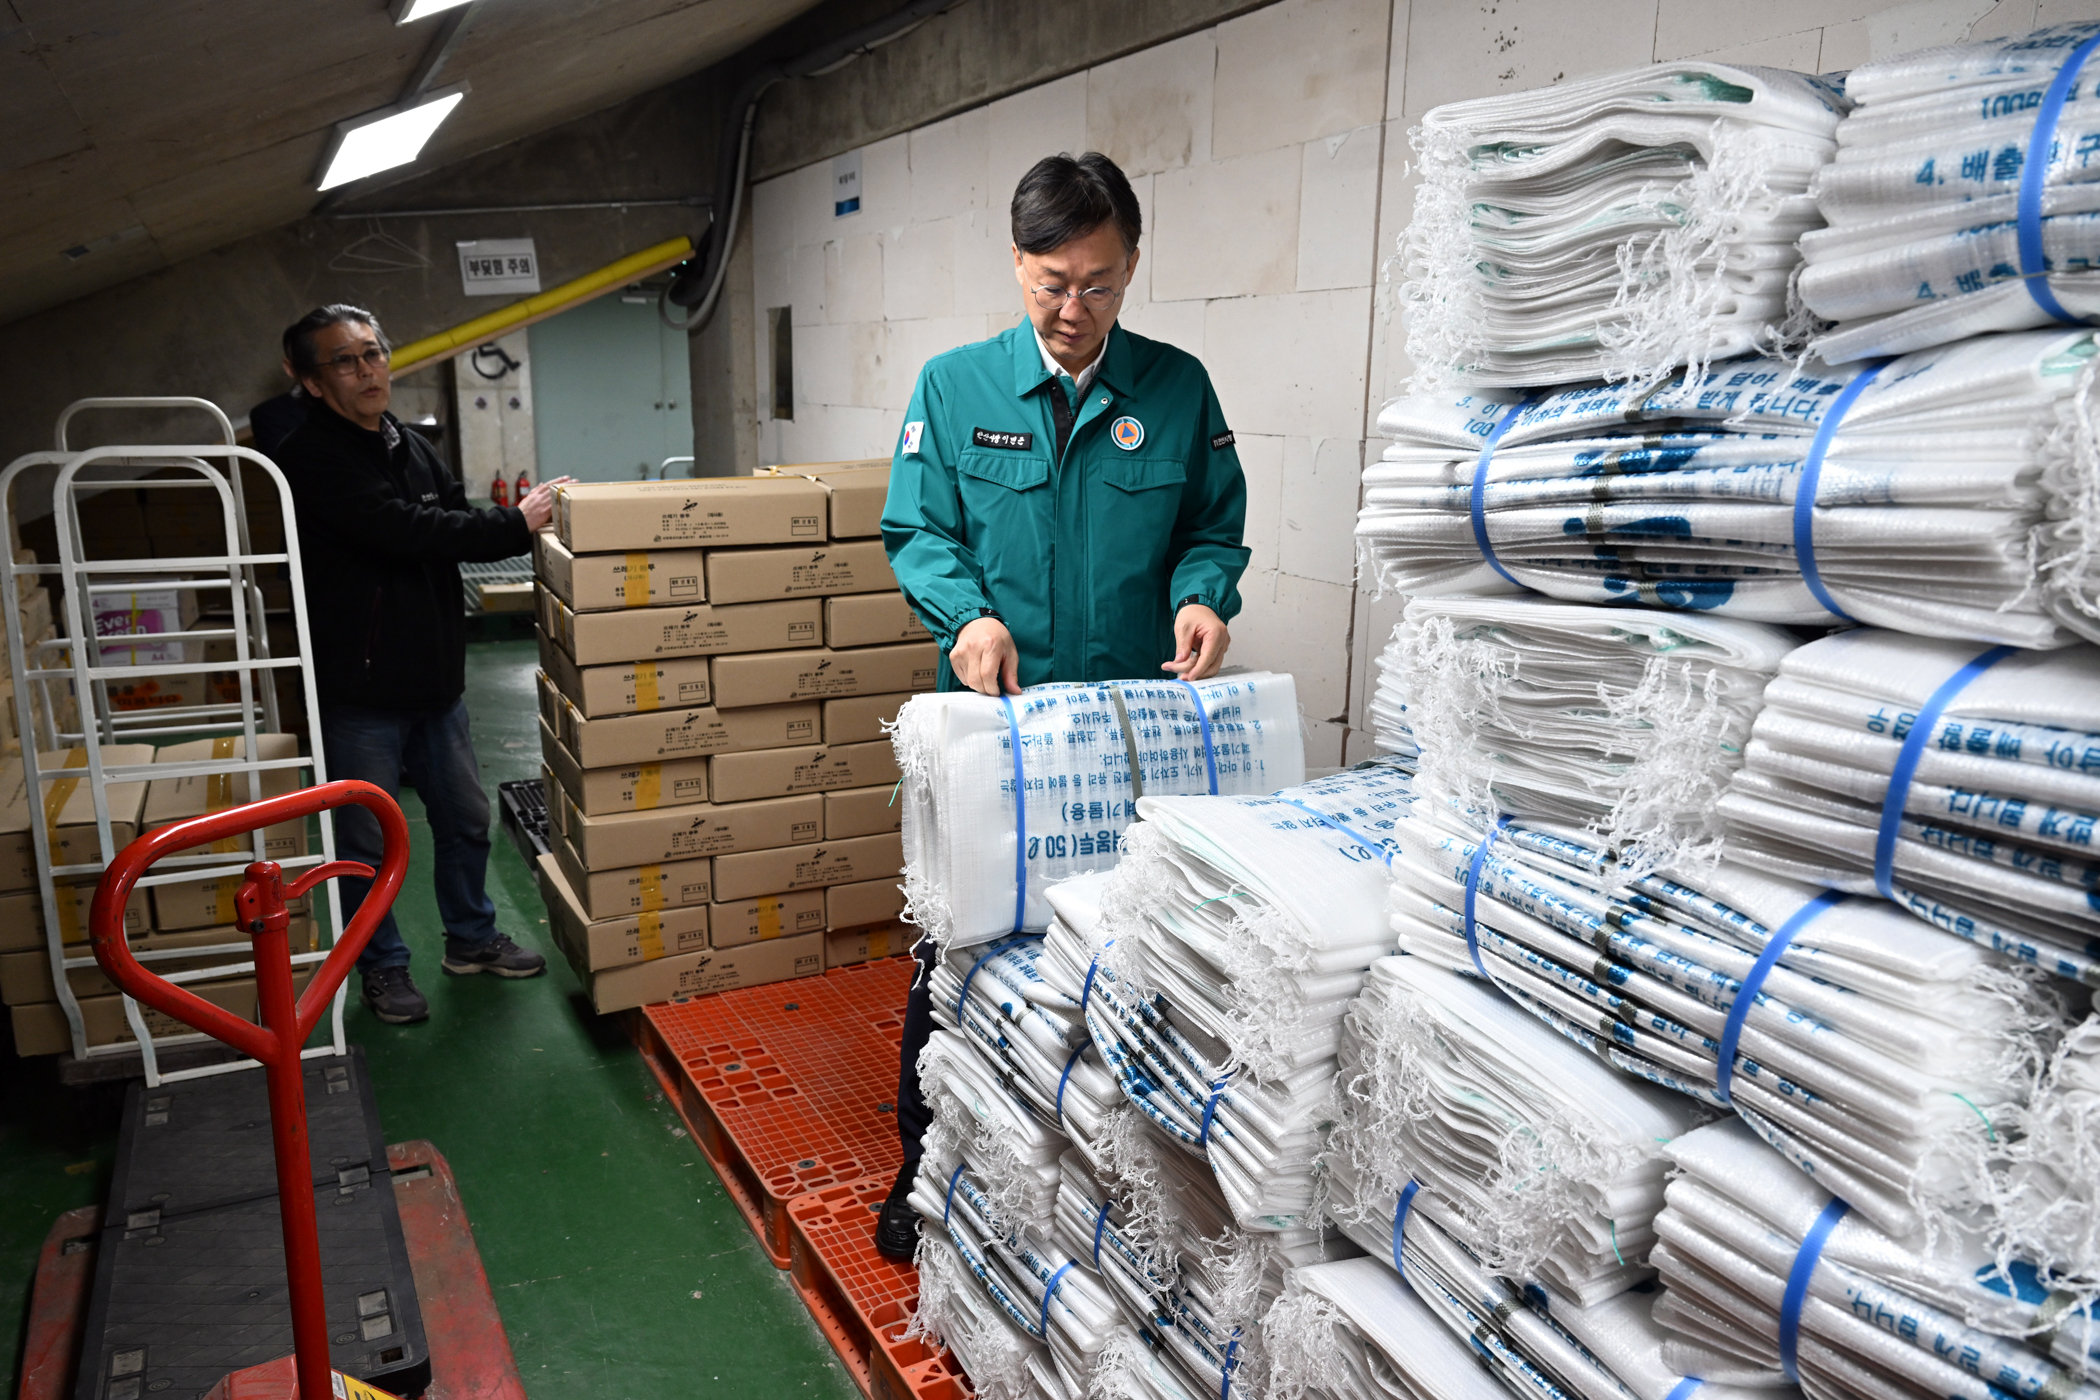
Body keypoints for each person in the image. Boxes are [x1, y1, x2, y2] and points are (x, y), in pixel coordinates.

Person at [873, 153, 1250, 1259]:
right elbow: (918, 528)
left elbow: (1211, 525)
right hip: (995, 728)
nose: (1074, 308)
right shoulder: (956, 387)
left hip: (1129, 739)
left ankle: (1093, 1172)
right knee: (960, 948)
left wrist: (1202, 595)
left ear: (1131, 267)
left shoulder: (1176, 387)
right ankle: (924, 1165)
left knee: (1123, 951)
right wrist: (966, 617)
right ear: (1017, 265)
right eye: (1052, 283)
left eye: (1099, 283)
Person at [275, 304, 573, 1025]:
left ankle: (471, 939)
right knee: (366, 842)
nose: (367, 371)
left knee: (466, 820)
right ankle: (381, 967)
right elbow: (403, 530)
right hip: (361, 691)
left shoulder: (405, 442)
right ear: (312, 381)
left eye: (373, 354)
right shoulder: (312, 457)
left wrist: (499, 523)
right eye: (345, 361)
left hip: (435, 683)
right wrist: (514, 523)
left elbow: (450, 513)